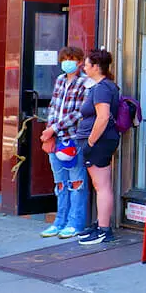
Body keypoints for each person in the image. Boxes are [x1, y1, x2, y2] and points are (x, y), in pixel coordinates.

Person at [40, 46, 89, 239]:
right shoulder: (60, 80)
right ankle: (59, 221)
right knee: (60, 182)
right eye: (64, 59)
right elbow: (53, 107)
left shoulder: (85, 82)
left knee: (76, 182)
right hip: (55, 138)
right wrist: (49, 133)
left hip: (73, 138)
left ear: (79, 62)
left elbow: (79, 112)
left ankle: (75, 223)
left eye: (72, 59)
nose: (67, 62)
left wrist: (54, 129)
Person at [77, 49, 121, 246]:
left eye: (86, 64)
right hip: (101, 140)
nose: (84, 67)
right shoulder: (103, 86)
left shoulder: (102, 88)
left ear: (96, 67)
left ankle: (104, 229)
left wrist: (90, 143)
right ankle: (100, 225)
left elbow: (102, 117)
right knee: (100, 185)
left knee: (101, 186)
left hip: (99, 142)